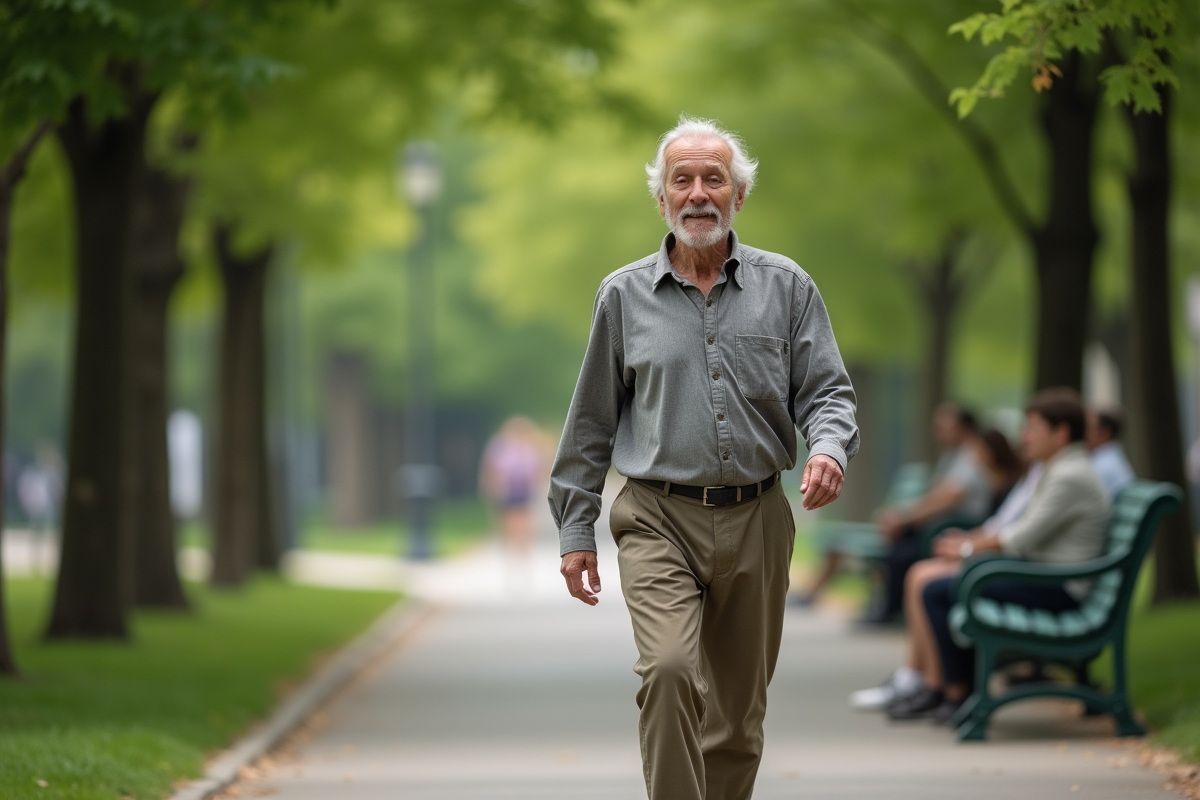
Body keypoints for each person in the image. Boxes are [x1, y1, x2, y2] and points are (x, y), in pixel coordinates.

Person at [549, 116, 859, 800]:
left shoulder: (788, 288)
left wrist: (829, 448)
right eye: (681, 180)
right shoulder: (623, 296)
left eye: (713, 179)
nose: (697, 193)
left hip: (757, 518)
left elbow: (827, 392)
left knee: (737, 721)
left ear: (738, 195)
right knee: (667, 672)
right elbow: (591, 423)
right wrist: (576, 530)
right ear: (661, 198)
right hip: (657, 517)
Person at [884, 388, 1110, 722]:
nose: (1024, 436)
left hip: (1060, 588)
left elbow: (1023, 536)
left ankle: (956, 694)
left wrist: (967, 548)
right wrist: (971, 548)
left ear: (1061, 433)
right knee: (942, 584)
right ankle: (946, 689)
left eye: (1033, 427)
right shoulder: (1061, 468)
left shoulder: (1068, 475)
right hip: (1046, 577)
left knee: (937, 591)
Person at [796, 404, 990, 614]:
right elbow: (939, 495)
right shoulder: (954, 454)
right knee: (857, 542)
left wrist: (905, 518)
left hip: (955, 528)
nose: (938, 432)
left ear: (965, 428)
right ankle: (876, 605)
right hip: (940, 525)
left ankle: (887, 609)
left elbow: (950, 496)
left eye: (945, 427)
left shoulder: (972, 454)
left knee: (900, 551)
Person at [1085, 406, 1135, 498]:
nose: (1083, 433)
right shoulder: (1110, 459)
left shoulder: (1103, 467)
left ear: (1106, 432)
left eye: (1089, 428)